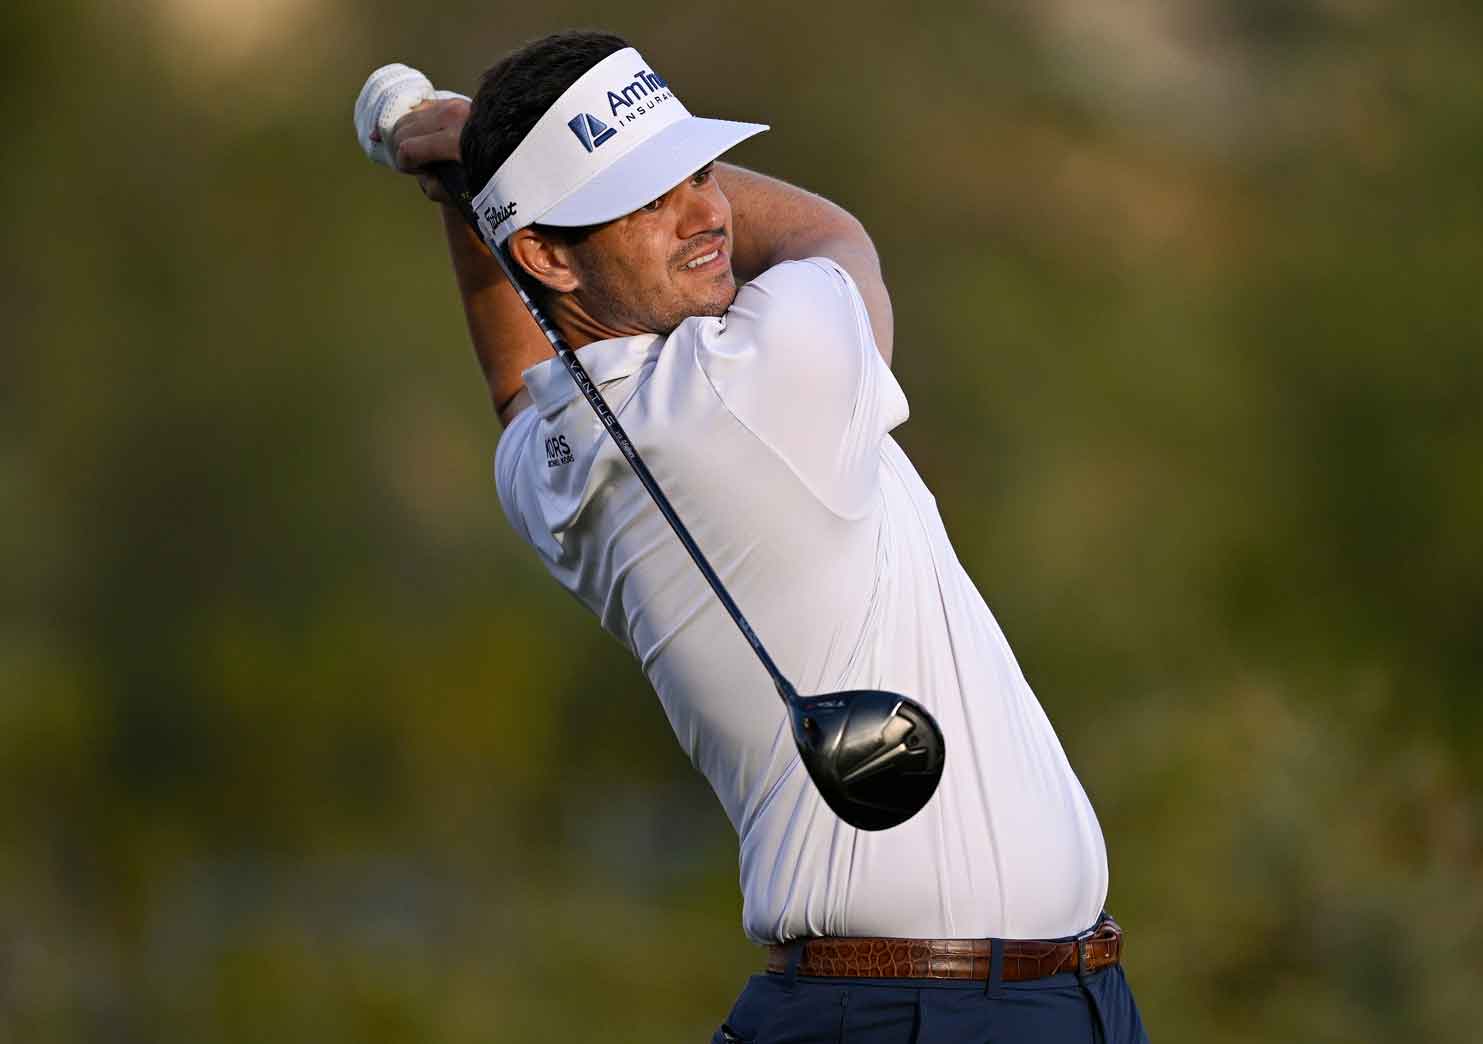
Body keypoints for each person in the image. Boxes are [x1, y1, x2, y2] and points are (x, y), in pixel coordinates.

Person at [384, 29, 1148, 1043]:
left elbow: (513, 390)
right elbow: (833, 238)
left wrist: (474, 194)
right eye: (648, 196)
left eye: (699, 170)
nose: (708, 213)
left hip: (970, 1002)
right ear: (546, 253)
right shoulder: (753, 381)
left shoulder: (552, 461)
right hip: (934, 1012)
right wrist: (477, 162)